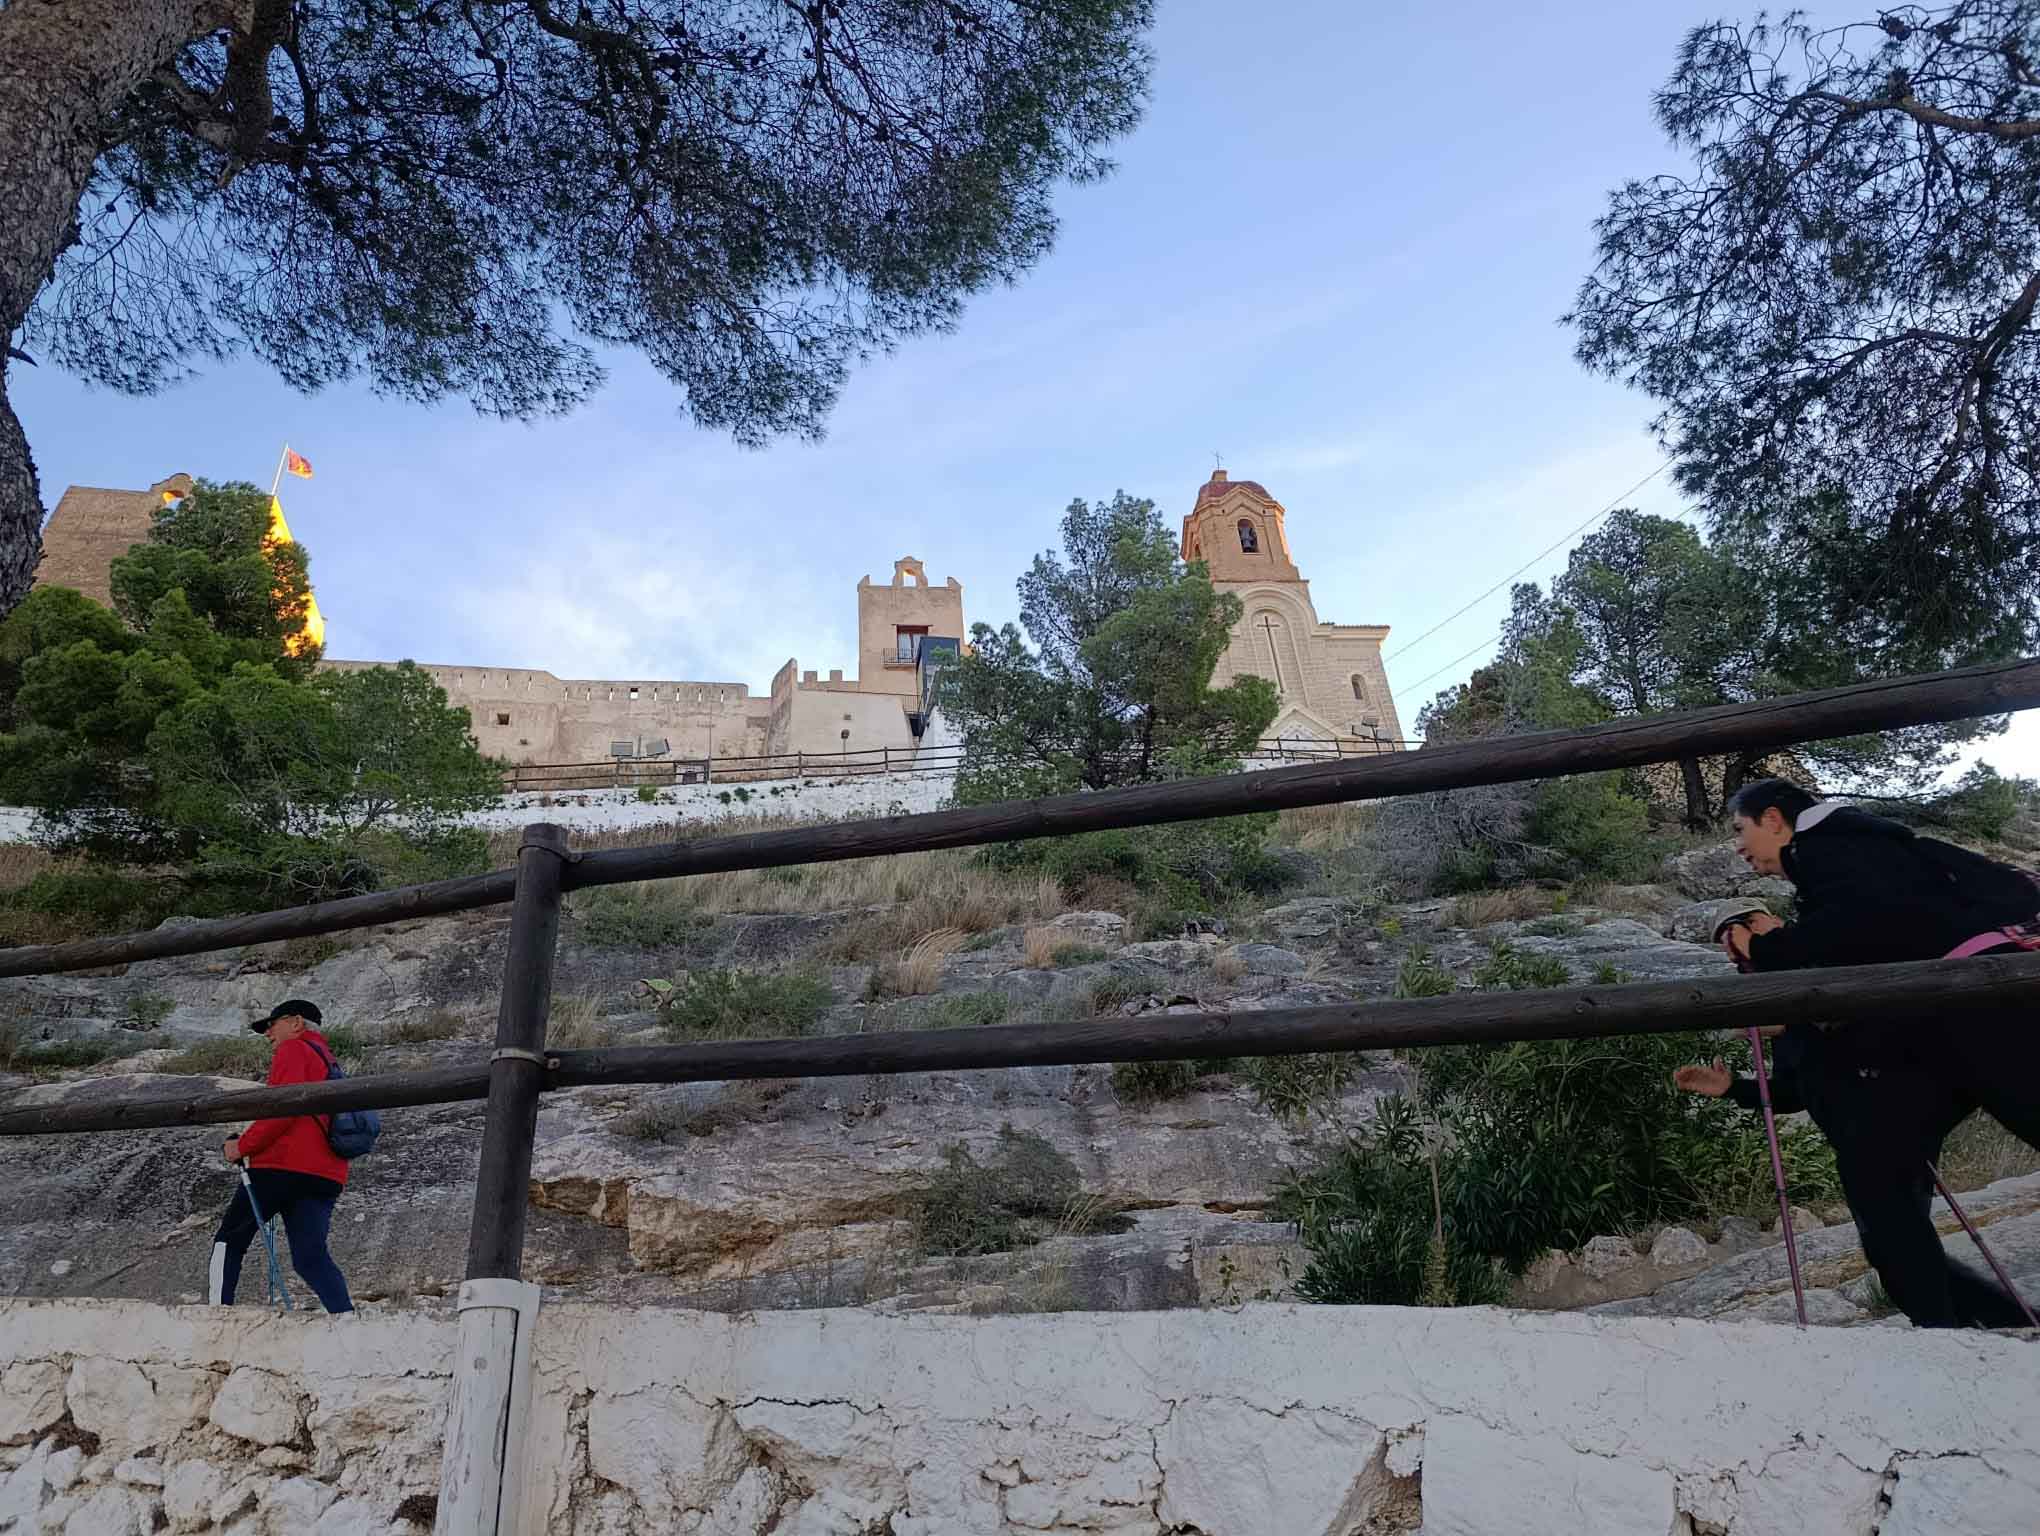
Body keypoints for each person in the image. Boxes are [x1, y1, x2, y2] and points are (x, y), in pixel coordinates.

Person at [1678, 778, 2040, 1328]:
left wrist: (1769, 947)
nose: (1737, 845)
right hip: (1954, 1024)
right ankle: (1967, 1328)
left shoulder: (1833, 849)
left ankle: (1955, 1331)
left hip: (1980, 1009)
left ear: (1774, 819)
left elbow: (1858, 930)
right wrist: (1736, 1086)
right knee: (1891, 1228)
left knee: (1894, 1221)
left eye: (1740, 829)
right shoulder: (1855, 852)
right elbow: (1804, 1078)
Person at [209, 998, 355, 1313]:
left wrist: (241, 1146)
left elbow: (281, 1110)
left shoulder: (293, 1050)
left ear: (296, 1022)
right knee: (310, 1257)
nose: (268, 1034)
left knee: (229, 1239)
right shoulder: (331, 1063)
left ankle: (214, 1315)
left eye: (272, 1025)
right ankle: (346, 1319)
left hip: (279, 1168)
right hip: (325, 1175)